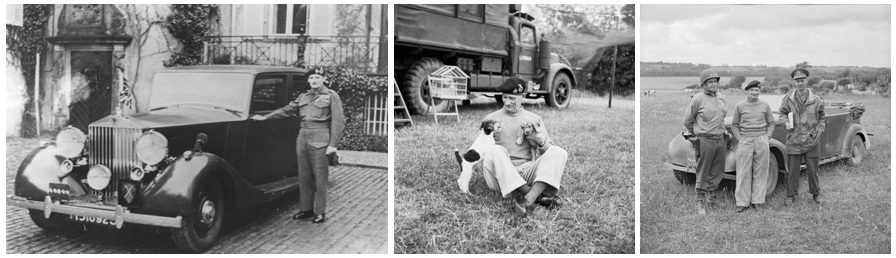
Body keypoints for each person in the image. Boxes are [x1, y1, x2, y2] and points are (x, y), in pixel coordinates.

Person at [251, 66, 345, 223]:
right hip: (302, 137)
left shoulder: (331, 96)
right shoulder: (304, 96)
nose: (314, 81)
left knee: (320, 177)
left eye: (317, 78)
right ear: (308, 80)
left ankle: (320, 212)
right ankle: (306, 209)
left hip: (320, 137)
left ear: (324, 79)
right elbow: (287, 110)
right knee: (304, 175)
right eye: (312, 78)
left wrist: (333, 145)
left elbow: (338, 121)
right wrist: (266, 117)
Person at [476, 77, 568, 217]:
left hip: (526, 172)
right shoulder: (490, 119)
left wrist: (539, 140)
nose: (507, 102)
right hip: (500, 175)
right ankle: (534, 196)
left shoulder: (534, 119)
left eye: (512, 98)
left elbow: (550, 153)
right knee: (494, 150)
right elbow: (480, 149)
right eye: (504, 97)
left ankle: (526, 200)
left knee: (559, 152)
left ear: (522, 97)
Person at [683, 69, 728, 215]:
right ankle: (700, 201)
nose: (714, 84)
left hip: (720, 138)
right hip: (705, 140)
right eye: (710, 82)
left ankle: (712, 198)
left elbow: (722, 116)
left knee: (717, 169)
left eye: (715, 81)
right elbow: (688, 121)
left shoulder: (720, 97)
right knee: (703, 170)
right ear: (704, 84)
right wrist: (699, 133)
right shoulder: (697, 99)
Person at [779, 68, 825, 206]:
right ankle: (791, 195)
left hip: (811, 140)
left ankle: (816, 194)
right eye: (797, 81)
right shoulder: (788, 99)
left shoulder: (816, 100)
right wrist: (785, 122)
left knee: (813, 170)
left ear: (807, 81)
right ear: (794, 82)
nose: (800, 83)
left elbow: (822, 117)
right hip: (794, 139)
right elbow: (782, 114)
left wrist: (819, 131)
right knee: (793, 171)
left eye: (802, 80)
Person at [731, 80, 775, 212]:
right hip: (745, 140)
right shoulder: (740, 105)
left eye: (757, 90)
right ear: (748, 91)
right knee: (743, 171)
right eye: (752, 90)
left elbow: (771, 123)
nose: (754, 93)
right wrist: (740, 138)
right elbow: (734, 125)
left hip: (761, 139)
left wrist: (767, 137)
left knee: (760, 171)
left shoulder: (765, 105)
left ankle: (758, 201)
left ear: (759, 91)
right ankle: (742, 202)